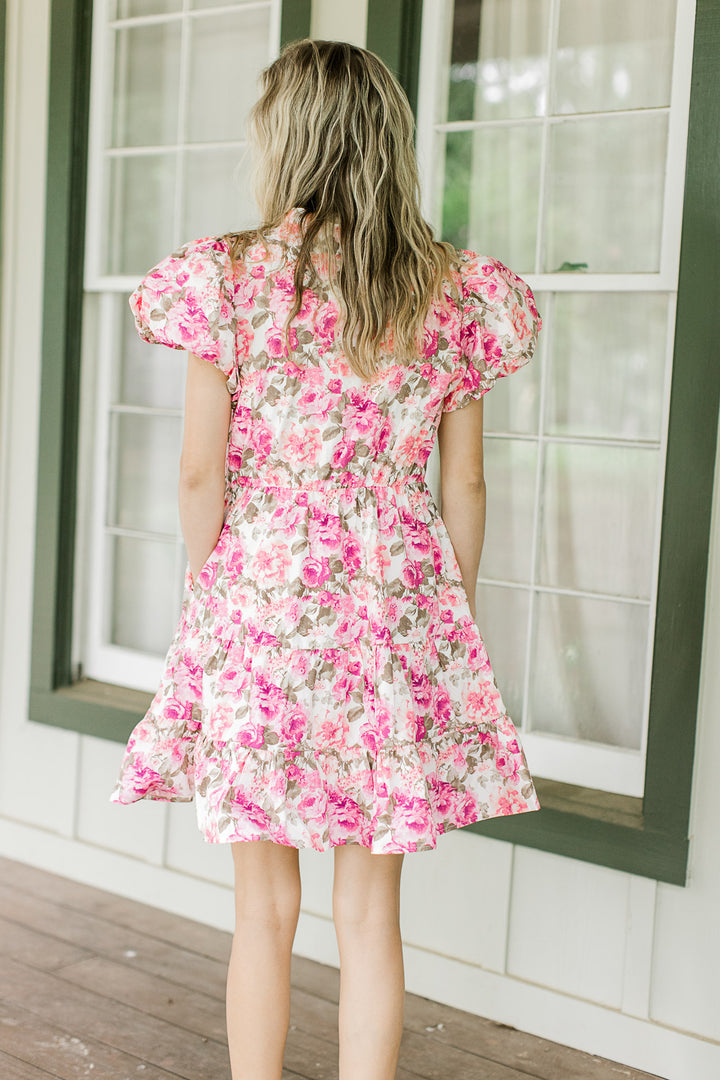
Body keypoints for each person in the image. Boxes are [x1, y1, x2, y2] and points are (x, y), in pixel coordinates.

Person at [110, 38, 542, 1080]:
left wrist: (210, 598)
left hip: (262, 602)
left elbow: (200, 475)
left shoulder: (230, 279)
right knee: (369, 915)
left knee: (262, 910)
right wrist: (449, 614)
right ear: (387, 141)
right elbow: (466, 486)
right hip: (395, 613)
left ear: (285, 143)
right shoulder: (453, 289)